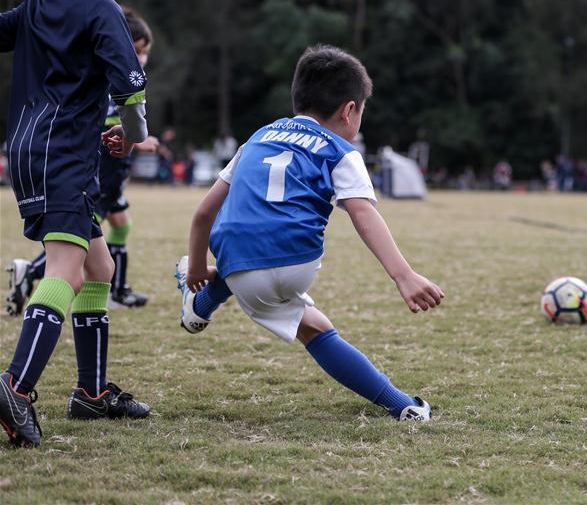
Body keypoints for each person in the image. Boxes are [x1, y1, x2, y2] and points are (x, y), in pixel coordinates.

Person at [175, 45, 444, 422]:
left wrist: (195, 270)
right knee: (316, 330)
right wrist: (404, 275)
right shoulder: (340, 150)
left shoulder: (257, 138)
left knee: (247, 268)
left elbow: (204, 212)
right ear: (349, 110)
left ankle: (198, 301)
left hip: (234, 258)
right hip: (294, 263)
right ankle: (403, 407)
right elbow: (363, 213)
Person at [0, 0, 151, 448]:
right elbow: (130, 90)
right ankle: (15, 387)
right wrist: (133, 135)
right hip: (63, 156)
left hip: (29, 153)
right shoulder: (101, 10)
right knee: (65, 266)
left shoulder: (31, 11)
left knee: (98, 267)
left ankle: (91, 393)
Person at [6, 7, 160, 315]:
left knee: (116, 231)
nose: (142, 59)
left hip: (109, 171)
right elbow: (104, 119)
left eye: (145, 53)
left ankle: (118, 290)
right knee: (78, 245)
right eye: (137, 51)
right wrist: (135, 138)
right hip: (97, 169)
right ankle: (32, 272)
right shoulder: (108, 71)